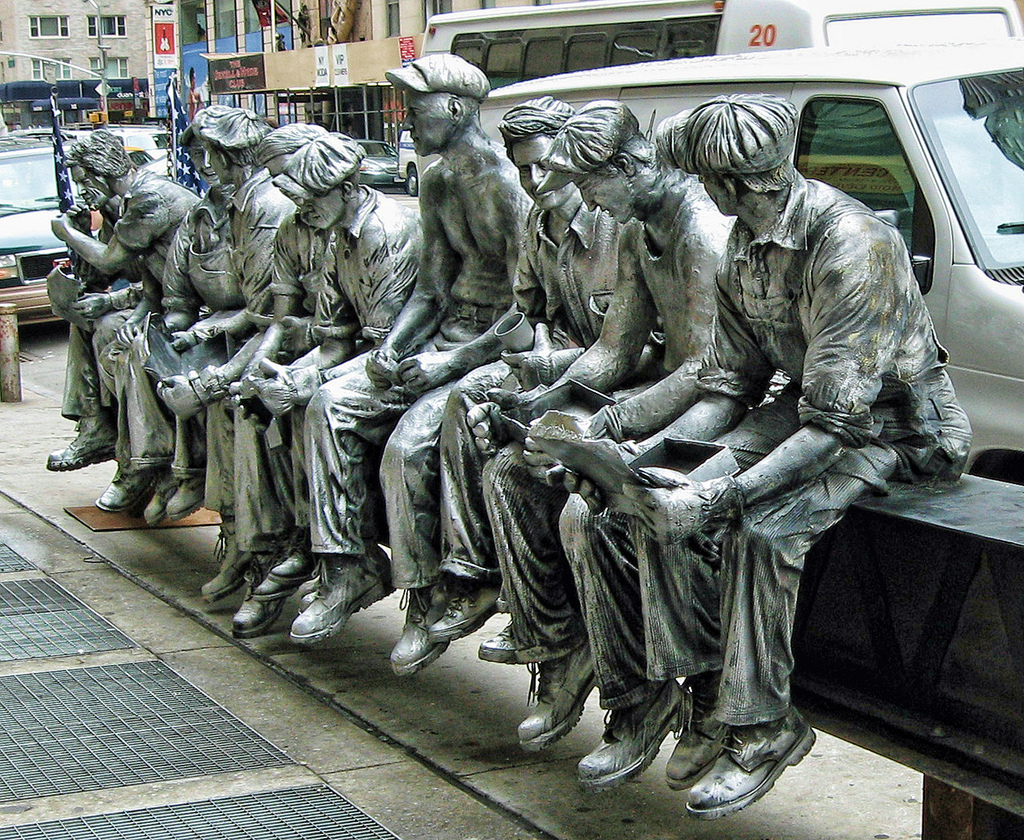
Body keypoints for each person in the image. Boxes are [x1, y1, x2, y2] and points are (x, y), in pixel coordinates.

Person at [610, 93, 971, 818]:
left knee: (759, 529)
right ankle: (706, 687)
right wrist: (648, 455)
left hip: (896, 432)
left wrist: (723, 497)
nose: (700, 192)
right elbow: (733, 384)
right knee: (658, 496)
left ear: (728, 182)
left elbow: (839, 424)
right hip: (807, 409)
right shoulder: (743, 243)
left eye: (703, 179)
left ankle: (764, 726)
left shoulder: (852, 244)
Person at [471, 101, 731, 770]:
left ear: (626, 167)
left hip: (720, 405)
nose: (589, 203)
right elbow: (615, 349)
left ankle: (641, 696)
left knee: (593, 511)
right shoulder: (643, 227)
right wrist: (543, 403)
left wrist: (609, 428)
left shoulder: (699, 230)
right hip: (664, 396)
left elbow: (707, 370)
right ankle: (558, 645)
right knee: (509, 469)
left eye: (590, 187)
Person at [292, 54, 530, 651]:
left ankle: (424, 597)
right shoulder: (439, 178)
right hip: (443, 335)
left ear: (455, 108)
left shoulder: (507, 183)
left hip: (496, 349)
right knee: (329, 404)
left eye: (415, 107)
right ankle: (347, 568)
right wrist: (394, 347)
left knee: (407, 448)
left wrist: (452, 362)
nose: (406, 119)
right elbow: (431, 287)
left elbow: (531, 307)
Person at [229, 131, 420, 637]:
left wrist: (310, 382)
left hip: (408, 363)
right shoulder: (333, 234)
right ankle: (290, 549)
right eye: (299, 200)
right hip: (368, 358)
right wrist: (291, 375)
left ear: (349, 186)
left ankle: (346, 565)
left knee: (327, 405)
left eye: (312, 200)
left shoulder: (385, 230)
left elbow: (383, 349)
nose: (303, 210)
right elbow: (337, 339)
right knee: (263, 403)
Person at [51, 129, 199, 513]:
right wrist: (83, 234)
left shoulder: (150, 197)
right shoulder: (120, 206)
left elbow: (112, 261)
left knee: (125, 344)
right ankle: (96, 428)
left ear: (102, 171)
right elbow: (135, 275)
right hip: (163, 302)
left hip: (196, 311)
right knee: (91, 323)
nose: (82, 190)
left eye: (84, 180)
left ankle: (141, 463)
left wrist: (65, 232)